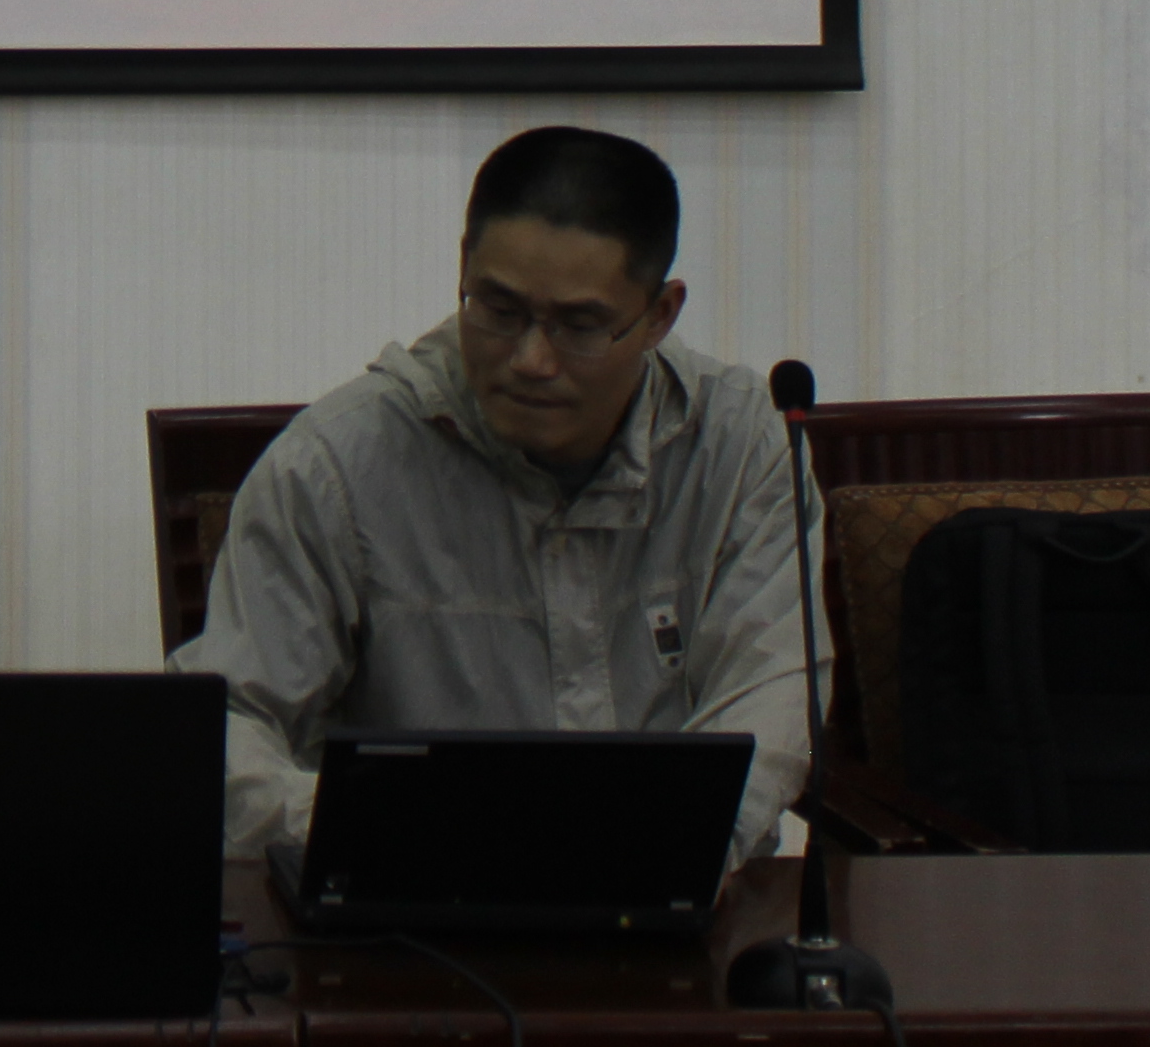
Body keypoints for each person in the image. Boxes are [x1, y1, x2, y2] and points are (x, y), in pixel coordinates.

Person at [172, 124, 810, 868]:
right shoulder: (336, 464)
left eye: (579, 325)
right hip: (408, 897)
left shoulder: (737, 446)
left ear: (659, 315)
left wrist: (659, 844)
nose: (531, 359)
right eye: (500, 311)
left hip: (672, 888)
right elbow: (227, 721)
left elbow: (773, 699)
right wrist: (379, 826)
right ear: (463, 269)